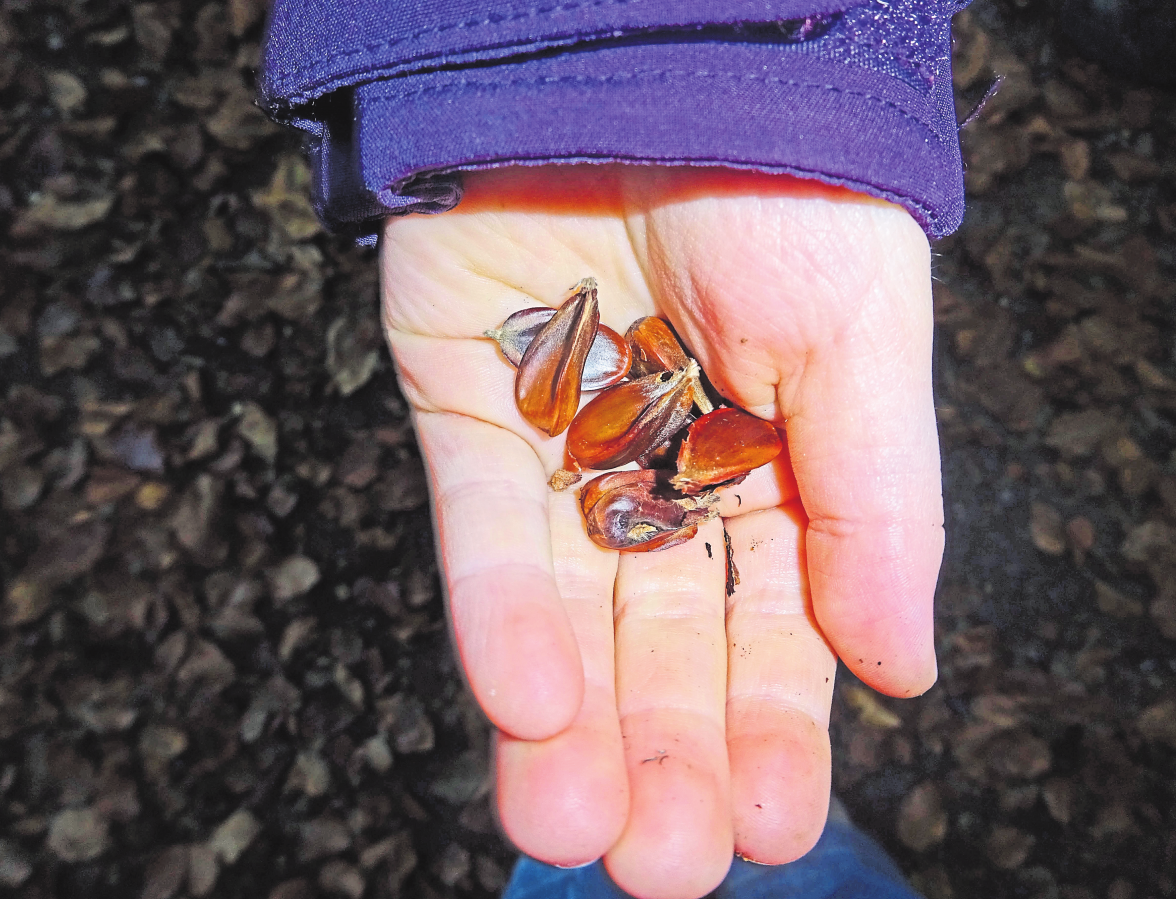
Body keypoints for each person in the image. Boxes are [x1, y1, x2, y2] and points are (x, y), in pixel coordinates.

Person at [260, 3, 964, 897]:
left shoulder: (652, 404)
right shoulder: (628, 397)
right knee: (720, 840)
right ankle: (807, 857)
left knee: (672, 829)